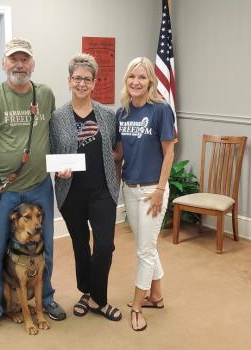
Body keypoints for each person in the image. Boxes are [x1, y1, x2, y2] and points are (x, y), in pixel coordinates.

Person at [0, 38, 66, 336]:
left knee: (45, 248)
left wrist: (63, 164)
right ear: (4, 63)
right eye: (14, 59)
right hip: (1, 190)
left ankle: (45, 299)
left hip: (39, 188)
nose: (19, 64)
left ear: (32, 63)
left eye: (25, 59)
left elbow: (55, 135)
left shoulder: (45, 94)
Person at [50, 53, 122, 321]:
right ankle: (86, 291)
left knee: (104, 246)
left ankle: (98, 300)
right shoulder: (57, 118)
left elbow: (117, 150)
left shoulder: (107, 115)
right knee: (81, 245)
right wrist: (59, 169)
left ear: (94, 84)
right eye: (77, 78)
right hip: (71, 193)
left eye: (87, 79)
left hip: (103, 191)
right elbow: (50, 153)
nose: (82, 83)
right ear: (69, 81)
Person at [115, 57, 175, 331]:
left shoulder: (161, 110)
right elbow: (119, 153)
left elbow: (169, 151)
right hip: (130, 188)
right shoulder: (122, 112)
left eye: (142, 77)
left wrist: (161, 190)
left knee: (144, 250)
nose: (136, 82)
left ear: (150, 80)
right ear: (126, 80)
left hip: (152, 189)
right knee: (146, 244)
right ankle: (157, 295)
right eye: (132, 77)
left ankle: (138, 307)